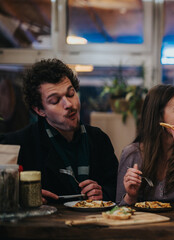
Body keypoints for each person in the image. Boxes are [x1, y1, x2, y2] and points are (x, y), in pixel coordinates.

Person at [0, 58, 118, 203]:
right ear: (39, 110)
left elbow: (116, 188)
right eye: (55, 100)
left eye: (70, 94)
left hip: (94, 223)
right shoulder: (18, 144)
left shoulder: (99, 139)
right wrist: (22, 195)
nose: (68, 104)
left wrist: (103, 193)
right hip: (45, 225)